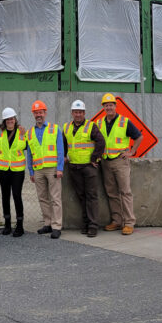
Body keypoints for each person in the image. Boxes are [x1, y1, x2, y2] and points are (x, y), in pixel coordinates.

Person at [98, 93, 143, 236]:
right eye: (106, 105)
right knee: (111, 193)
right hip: (105, 162)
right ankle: (117, 221)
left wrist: (132, 151)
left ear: (115, 106)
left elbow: (139, 136)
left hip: (120, 161)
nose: (109, 107)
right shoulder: (99, 123)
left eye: (111, 105)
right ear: (103, 107)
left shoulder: (124, 122)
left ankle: (129, 222)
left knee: (125, 192)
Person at [63, 99, 105, 237]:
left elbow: (101, 141)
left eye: (80, 112)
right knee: (81, 196)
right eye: (76, 112)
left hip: (88, 167)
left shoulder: (91, 126)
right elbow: (63, 144)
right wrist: (63, 156)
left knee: (91, 196)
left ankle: (93, 226)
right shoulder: (67, 127)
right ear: (72, 113)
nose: (78, 114)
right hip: (74, 167)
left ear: (84, 113)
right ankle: (86, 223)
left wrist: (94, 158)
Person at [26, 100, 64, 239]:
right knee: (42, 198)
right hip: (38, 170)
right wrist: (31, 171)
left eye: (40, 112)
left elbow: (60, 150)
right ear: (33, 114)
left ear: (45, 113)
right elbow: (29, 154)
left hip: (52, 169)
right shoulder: (29, 133)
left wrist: (60, 168)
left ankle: (57, 226)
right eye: (36, 113)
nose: (38, 115)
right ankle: (47, 223)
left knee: (55, 198)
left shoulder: (55, 129)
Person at [0, 107, 27, 237]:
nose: (10, 120)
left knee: (16, 195)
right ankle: (7, 224)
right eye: (8, 119)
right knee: (5, 196)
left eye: (12, 118)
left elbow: (27, 147)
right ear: (4, 120)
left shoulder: (21, 132)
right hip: (3, 170)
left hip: (17, 170)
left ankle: (19, 225)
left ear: (15, 119)